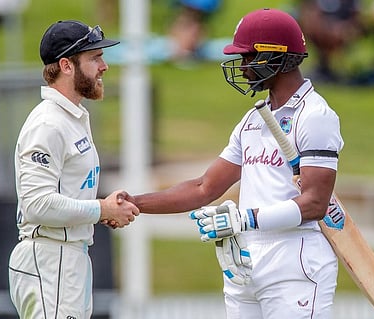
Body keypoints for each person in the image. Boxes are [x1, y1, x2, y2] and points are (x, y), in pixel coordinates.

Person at [118, 8, 344, 319]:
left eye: (248, 57)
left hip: (295, 260)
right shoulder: (253, 119)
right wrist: (135, 203)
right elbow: (203, 187)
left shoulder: (315, 116)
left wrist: (245, 219)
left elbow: (316, 204)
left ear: (273, 57)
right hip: (246, 262)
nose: (242, 65)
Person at [8, 20, 140, 319]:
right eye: (95, 58)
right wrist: (101, 209)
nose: (104, 66)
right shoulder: (48, 124)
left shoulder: (72, 117)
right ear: (66, 65)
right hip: (49, 258)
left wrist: (107, 206)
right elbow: (36, 205)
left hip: (69, 257)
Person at [297, 0, 363, 82]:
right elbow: (309, 9)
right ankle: (323, 67)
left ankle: (330, 69)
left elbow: (356, 17)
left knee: (346, 32)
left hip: (343, 28)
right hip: (320, 26)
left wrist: (342, 28)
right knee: (310, 25)